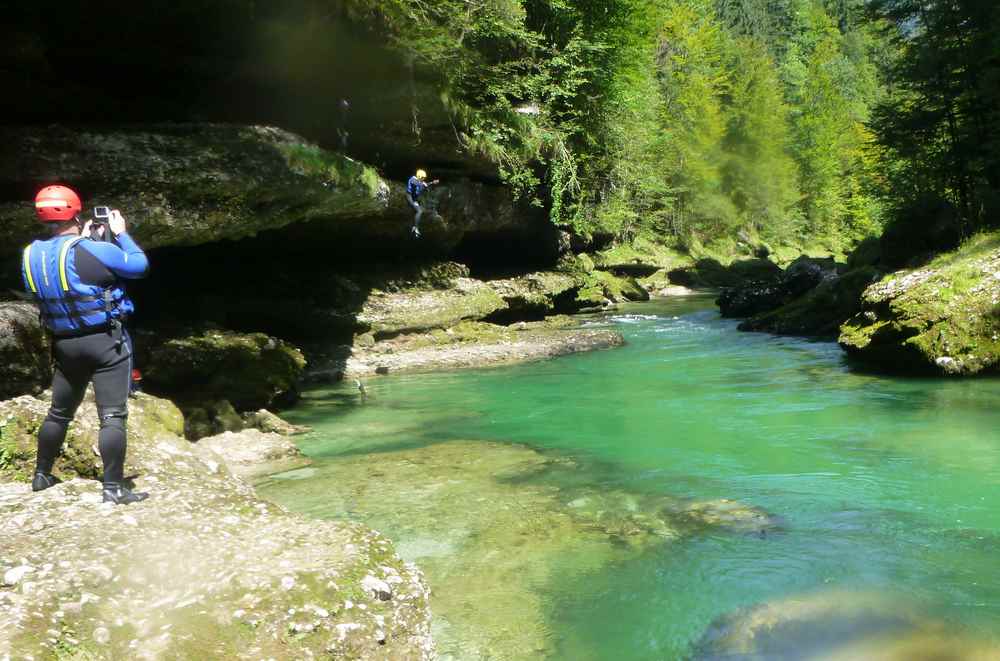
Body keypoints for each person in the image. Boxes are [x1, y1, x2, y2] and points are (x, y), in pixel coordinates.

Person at [21, 185, 150, 505]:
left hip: (65, 345)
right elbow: (138, 265)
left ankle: (41, 475)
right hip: (105, 343)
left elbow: (68, 269)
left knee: (59, 413)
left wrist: (89, 241)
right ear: (75, 212)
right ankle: (113, 489)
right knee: (112, 416)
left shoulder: (29, 254)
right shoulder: (94, 249)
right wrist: (120, 234)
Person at [406, 169, 440, 238]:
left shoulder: (419, 181)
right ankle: (415, 227)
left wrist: (432, 182)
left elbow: (423, 185)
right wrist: (414, 202)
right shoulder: (413, 180)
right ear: (419, 176)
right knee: (419, 211)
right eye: (423, 178)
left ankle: (415, 227)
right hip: (410, 197)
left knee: (421, 207)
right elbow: (419, 184)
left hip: (415, 198)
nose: (424, 179)